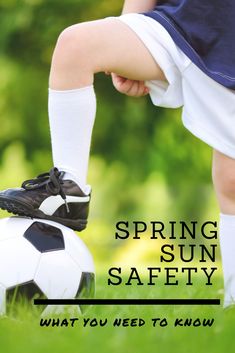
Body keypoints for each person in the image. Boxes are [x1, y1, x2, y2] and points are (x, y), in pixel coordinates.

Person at [0, 0, 235, 306]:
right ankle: (69, 191)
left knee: (230, 178)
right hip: (179, 23)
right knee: (76, 45)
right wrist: (129, 27)